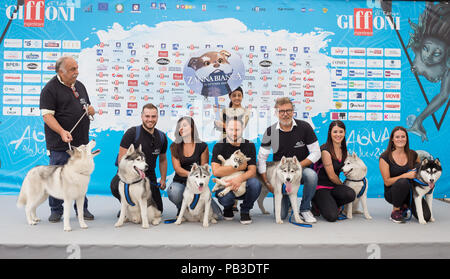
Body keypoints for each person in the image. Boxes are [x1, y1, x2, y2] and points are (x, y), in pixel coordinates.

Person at [39, 55, 95, 223]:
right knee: (57, 177)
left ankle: (82, 208)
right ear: (60, 72)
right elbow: (47, 116)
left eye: (77, 68)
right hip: (59, 143)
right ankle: (56, 210)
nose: (77, 72)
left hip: (81, 143)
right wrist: (62, 131)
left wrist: (90, 111)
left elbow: (86, 107)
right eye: (72, 69)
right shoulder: (50, 89)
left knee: (80, 177)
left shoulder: (80, 86)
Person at [257, 97, 321, 223]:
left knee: (312, 176)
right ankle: (289, 203)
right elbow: (261, 158)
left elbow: (316, 153)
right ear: (276, 113)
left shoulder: (305, 127)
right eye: (281, 111)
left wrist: (299, 166)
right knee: (282, 214)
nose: (285, 114)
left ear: (293, 111)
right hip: (280, 174)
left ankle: (305, 209)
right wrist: (267, 182)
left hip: (299, 171)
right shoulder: (270, 131)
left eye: (288, 110)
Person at [111, 103, 167, 213]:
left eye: (153, 116)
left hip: (149, 175)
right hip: (130, 173)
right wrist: (134, 177)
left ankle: (138, 206)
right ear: (142, 116)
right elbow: (121, 160)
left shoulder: (162, 137)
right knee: (114, 185)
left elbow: (163, 160)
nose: (150, 119)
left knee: (158, 210)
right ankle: (128, 206)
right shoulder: (132, 133)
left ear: (157, 117)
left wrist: (163, 179)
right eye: (147, 116)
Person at [166, 116, 222, 217]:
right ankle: (182, 210)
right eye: (179, 126)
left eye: (184, 125)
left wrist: (196, 180)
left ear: (192, 128)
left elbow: (204, 170)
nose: (181, 128)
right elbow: (177, 169)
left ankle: (204, 203)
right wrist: (192, 176)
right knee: (174, 191)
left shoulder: (202, 146)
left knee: (217, 215)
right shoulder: (174, 146)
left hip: (198, 184)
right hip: (181, 182)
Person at [211, 117, 261, 224]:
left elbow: (252, 171)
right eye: (231, 129)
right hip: (225, 183)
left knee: (255, 184)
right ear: (226, 129)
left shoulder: (249, 145)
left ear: (242, 129)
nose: (234, 133)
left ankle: (245, 210)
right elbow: (216, 172)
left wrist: (239, 179)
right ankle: (228, 208)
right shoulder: (219, 146)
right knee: (226, 198)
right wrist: (241, 167)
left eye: (237, 130)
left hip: (242, 184)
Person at [379, 126, 431, 223]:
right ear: (392, 139)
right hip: (392, 193)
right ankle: (396, 211)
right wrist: (405, 175)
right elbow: (387, 182)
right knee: (403, 182)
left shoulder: (413, 154)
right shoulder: (385, 157)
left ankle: (405, 206)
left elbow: (420, 173)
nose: (400, 139)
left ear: (406, 139)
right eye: (397, 137)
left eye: (403, 137)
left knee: (426, 217)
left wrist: (429, 180)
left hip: (411, 193)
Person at [214, 86, 250, 211]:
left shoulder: (246, 112)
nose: (236, 98)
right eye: (234, 95)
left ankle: (234, 201)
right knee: (226, 167)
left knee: (236, 168)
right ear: (230, 97)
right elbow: (219, 126)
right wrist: (221, 124)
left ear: (242, 96)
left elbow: (241, 126)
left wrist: (224, 125)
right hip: (225, 141)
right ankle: (229, 204)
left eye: (239, 95)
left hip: (236, 140)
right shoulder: (224, 110)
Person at [311, 120, 355, 222]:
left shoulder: (344, 150)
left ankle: (331, 203)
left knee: (350, 194)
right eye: (335, 132)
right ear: (330, 133)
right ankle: (316, 204)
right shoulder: (325, 150)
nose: (338, 135)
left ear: (344, 133)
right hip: (321, 188)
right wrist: (342, 185)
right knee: (332, 216)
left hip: (334, 187)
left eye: (341, 132)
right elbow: (331, 176)